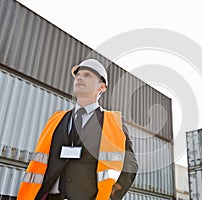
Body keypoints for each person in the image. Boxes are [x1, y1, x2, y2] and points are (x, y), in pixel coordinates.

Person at [17, 59, 138, 200]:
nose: (79, 77)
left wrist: (111, 196)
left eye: (87, 75)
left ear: (101, 87)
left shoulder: (113, 122)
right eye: (78, 74)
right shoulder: (56, 119)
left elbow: (130, 164)